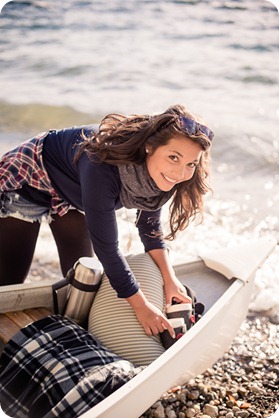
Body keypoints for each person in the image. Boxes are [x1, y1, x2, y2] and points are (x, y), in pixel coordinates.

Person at [0, 104, 213, 338]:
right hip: (31, 178)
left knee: (83, 279)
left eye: (191, 164)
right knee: (9, 286)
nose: (181, 173)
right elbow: (108, 249)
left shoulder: (164, 177)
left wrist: (170, 280)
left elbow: (149, 229)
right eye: (174, 157)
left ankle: (74, 333)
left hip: (72, 192)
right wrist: (141, 307)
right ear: (149, 147)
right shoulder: (101, 166)